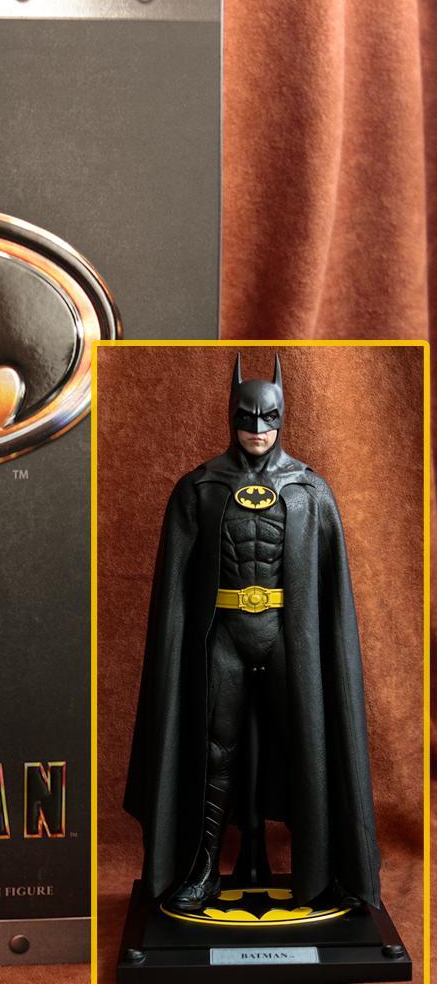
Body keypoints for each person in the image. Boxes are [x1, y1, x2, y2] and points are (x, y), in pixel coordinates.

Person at [123, 354, 380, 913]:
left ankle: (324, 870)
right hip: (225, 634)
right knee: (215, 751)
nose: (258, 430)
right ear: (231, 414)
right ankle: (202, 868)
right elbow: (177, 586)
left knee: (309, 741)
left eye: (269, 418)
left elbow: (328, 588)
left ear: (283, 417)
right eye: (247, 417)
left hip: (290, 634)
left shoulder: (310, 490)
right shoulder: (200, 488)